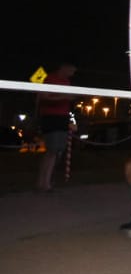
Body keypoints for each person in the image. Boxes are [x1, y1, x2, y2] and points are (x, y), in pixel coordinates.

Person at [35, 61, 77, 193]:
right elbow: (43, 97)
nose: (72, 74)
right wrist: (63, 96)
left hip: (62, 118)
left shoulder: (67, 82)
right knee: (52, 150)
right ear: (64, 67)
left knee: (58, 150)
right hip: (50, 117)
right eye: (71, 70)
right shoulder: (49, 78)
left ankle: (46, 181)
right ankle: (43, 183)